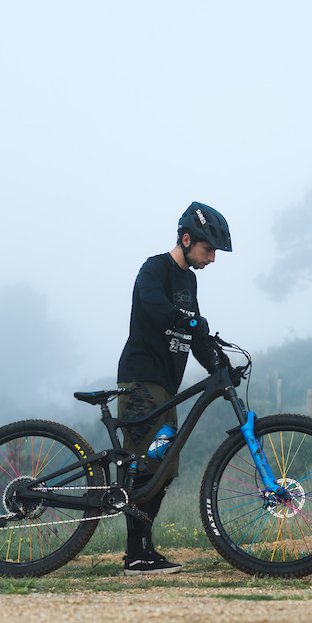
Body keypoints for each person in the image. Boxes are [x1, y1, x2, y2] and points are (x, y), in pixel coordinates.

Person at [116, 202, 231, 575]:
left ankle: (145, 549)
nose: (212, 259)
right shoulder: (155, 269)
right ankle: (135, 554)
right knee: (145, 465)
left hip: (168, 384)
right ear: (186, 239)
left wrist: (217, 363)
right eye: (208, 250)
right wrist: (191, 320)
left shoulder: (189, 280)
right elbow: (155, 307)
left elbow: (193, 335)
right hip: (142, 378)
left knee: (163, 468)